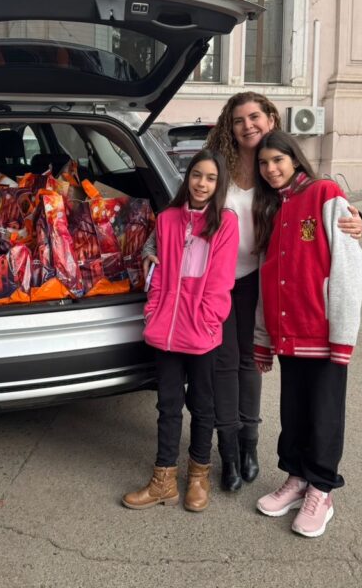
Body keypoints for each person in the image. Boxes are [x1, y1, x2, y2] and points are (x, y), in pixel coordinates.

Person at [144, 93, 362, 491]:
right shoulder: (217, 165)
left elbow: (316, 204)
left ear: (271, 119)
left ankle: (249, 444)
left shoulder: (277, 169)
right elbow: (180, 210)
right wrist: (150, 247)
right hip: (213, 282)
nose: (248, 125)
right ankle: (228, 450)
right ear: (229, 126)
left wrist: (358, 219)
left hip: (258, 278)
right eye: (239, 119)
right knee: (224, 364)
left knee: (251, 363)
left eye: (255, 117)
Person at [251, 130, 362, 538]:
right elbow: (267, 280)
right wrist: (263, 339)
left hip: (323, 332)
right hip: (288, 333)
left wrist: (343, 336)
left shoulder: (325, 194)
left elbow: (349, 269)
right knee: (294, 411)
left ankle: (321, 488)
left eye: (277, 160)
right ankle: (297, 478)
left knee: (324, 414)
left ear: (295, 159)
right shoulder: (272, 210)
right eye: (263, 164)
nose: (271, 169)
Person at [122, 149, 239, 513]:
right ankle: (164, 480)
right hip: (166, 331)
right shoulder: (168, 219)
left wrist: (208, 319)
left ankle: (199, 475)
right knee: (168, 405)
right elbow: (156, 269)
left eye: (211, 178)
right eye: (196, 175)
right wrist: (153, 310)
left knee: (202, 405)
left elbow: (221, 280)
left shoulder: (225, 223)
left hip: (201, 331)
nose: (202, 184)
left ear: (219, 185)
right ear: (187, 178)